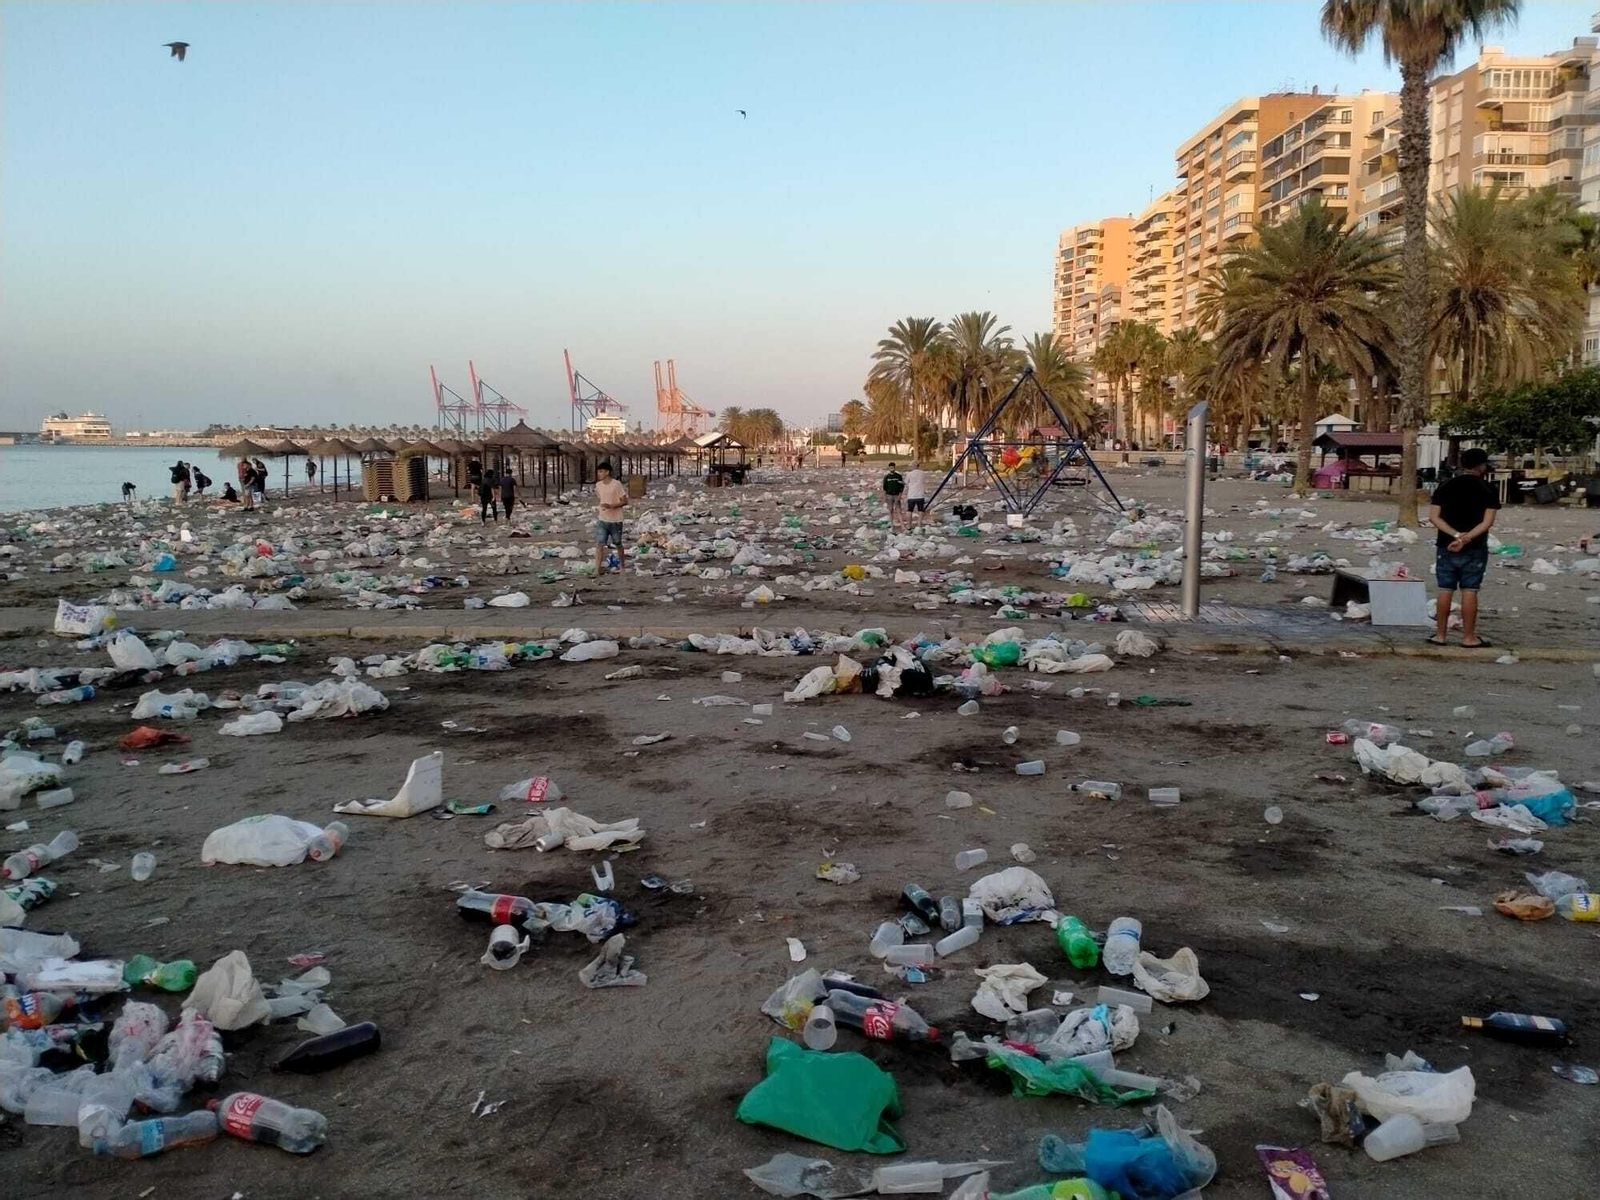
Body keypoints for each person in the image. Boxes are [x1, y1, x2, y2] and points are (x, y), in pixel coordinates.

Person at [1428, 447, 1499, 648]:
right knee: (1470, 590)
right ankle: (1468, 637)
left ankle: (1440, 635)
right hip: (1475, 547)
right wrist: (1466, 539)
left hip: (1445, 545)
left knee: (1445, 589)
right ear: (1481, 466)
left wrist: (1456, 535)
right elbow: (1487, 522)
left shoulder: (1445, 486)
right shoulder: (1488, 489)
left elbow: (1434, 517)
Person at [593, 460, 628, 575]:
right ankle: (597, 569)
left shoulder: (616, 484)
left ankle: (622, 566)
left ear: (607, 472)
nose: (599, 474)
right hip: (602, 519)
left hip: (616, 520)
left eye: (601, 471)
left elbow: (624, 501)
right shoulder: (598, 485)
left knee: (618, 543)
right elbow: (600, 498)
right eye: (598, 471)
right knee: (599, 544)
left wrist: (611, 506)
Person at [904, 461, 928, 530]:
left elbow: (906, 482)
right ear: (918, 466)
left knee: (909, 510)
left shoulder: (909, 474)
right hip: (920, 494)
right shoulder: (922, 473)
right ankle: (919, 525)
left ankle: (908, 525)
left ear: (913, 466)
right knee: (920, 510)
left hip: (911, 495)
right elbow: (923, 481)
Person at [881, 462, 905, 529]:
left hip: (897, 495)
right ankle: (892, 525)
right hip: (889, 495)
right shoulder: (886, 477)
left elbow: (902, 486)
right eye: (890, 468)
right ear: (889, 468)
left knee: (898, 510)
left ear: (895, 468)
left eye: (893, 467)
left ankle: (902, 525)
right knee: (890, 510)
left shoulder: (898, 476)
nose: (892, 469)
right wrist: (885, 496)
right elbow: (884, 488)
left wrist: (900, 495)